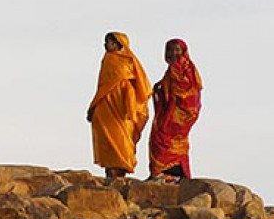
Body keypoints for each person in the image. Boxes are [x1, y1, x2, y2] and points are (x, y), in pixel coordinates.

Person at [87, 32, 151, 178]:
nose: (106, 45)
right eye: (105, 42)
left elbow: (138, 86)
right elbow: (103, 87)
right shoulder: (107, 60)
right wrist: (94, 106)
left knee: (122, 140)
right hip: (106, 106)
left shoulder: (129, 61)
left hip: (123, 106)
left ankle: (120, 173)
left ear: (118, 44)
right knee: (108, 141)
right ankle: (111, 174)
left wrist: (131, 105)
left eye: (109, 42)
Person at [148, 38, 203, 180]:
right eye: (171, 50)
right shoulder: (172, 68)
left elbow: (189, 90)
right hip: (170, 111)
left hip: (181, 113)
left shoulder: (186, 68)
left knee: (163, 138)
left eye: (177, 49)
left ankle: (171, 173)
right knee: (160, 137)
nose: (174, 53)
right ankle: (168, 174)